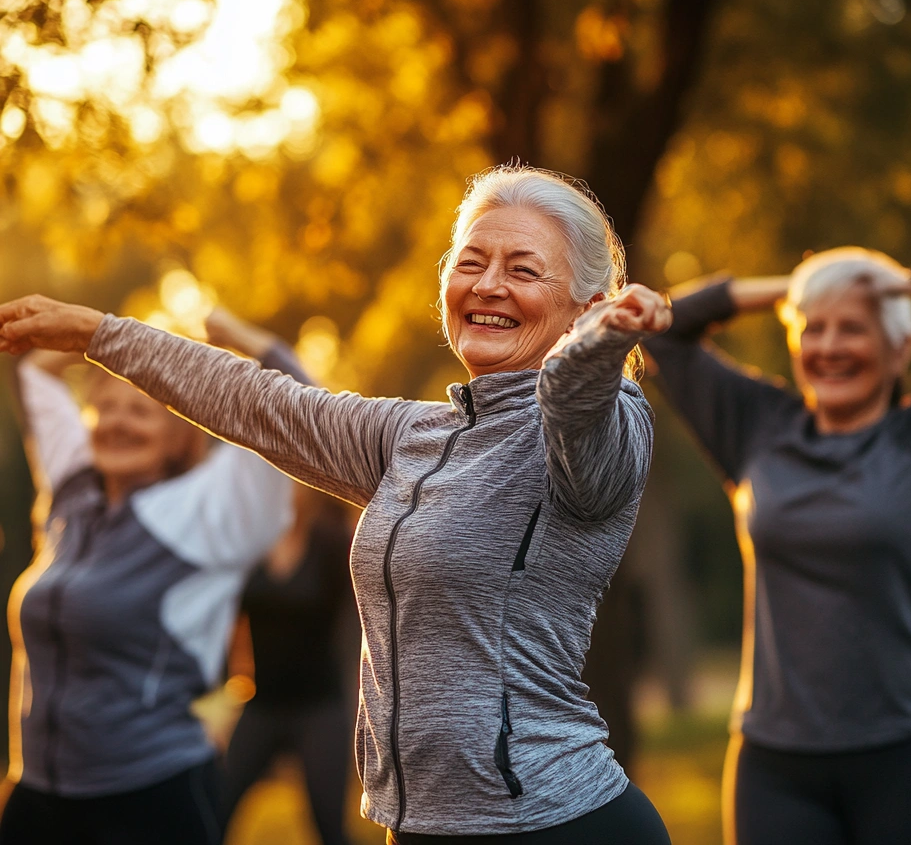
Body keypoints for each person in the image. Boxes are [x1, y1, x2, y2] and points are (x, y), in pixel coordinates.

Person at [0, 166, 673, 845]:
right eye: (471, 262)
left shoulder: (607, 426)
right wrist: (98, 334)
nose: (488, 284)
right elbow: (261, 401)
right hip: (422, 826)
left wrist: (595, 346)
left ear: (587, 307)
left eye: (523, 270)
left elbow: (575, 401)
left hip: (558, 822)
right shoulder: (414, 437)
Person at [645, 247, 911, 845]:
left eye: (852, 328)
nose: (828, 346)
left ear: (900, 348)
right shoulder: (757, 425)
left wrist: (901, 283)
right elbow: (662, 330)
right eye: (813, 327)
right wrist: (798, 286)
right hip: (775, 763)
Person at [0, 310, 311, 845]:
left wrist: (242, 339)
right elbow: (35, 374)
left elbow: (297, 415)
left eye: (141, 409)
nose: (118, 422)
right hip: (36, 795)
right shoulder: (74, 493)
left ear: (181, 432)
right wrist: (98, 333)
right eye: (106, 407)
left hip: (147, 799)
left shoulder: (207, 513)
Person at [223, 483, 358, 845]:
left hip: (320, 707)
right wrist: (228, 686)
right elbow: (227, 622)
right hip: (262, 705)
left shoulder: (332, 542)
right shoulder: (249, 547)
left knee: (330, 830)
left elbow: (357, 627)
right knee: (213, 813)